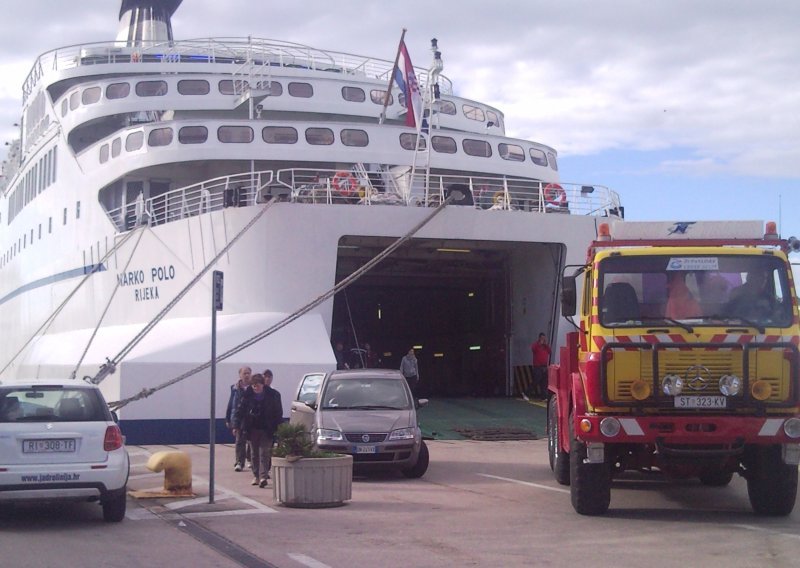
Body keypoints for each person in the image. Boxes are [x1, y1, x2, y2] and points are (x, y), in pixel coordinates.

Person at [233, 372, 283, 488]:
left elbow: (278, 413)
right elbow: (239, 411)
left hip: (267, 428)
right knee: (254, 453)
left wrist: (279, 427)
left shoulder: (273, 395)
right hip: (252, 429)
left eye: (258, 385)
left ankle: (263, 476)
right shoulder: (246, 396)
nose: (256, 387)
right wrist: (236, 426)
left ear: (263, 384)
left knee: (264, 452)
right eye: (253, 385)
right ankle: (256, 475)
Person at [225, 366, 252, 472]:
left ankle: (250, 460)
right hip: (239, 418)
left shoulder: (253, 388)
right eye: (244, 373)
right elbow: (231, 404)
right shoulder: (235, 388)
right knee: (239, 441)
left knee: (251, 441)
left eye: (248, 373)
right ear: (240, 375)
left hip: (250, 418)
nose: (247, 375)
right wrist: (228, 418)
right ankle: (239, 462)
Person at [531, 333, 551, 399]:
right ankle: (526, 393)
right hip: (537, 367)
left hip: (544, 366)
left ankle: (544, 396)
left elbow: (550, 351)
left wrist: (546, 345)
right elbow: (533, 349)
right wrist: (539, 344)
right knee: (536, 380)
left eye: (544, 338)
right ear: (539, 338)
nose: (543, 339)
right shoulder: (536, 345)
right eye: (542, 338)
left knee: (544, 382)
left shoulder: (545, 347)